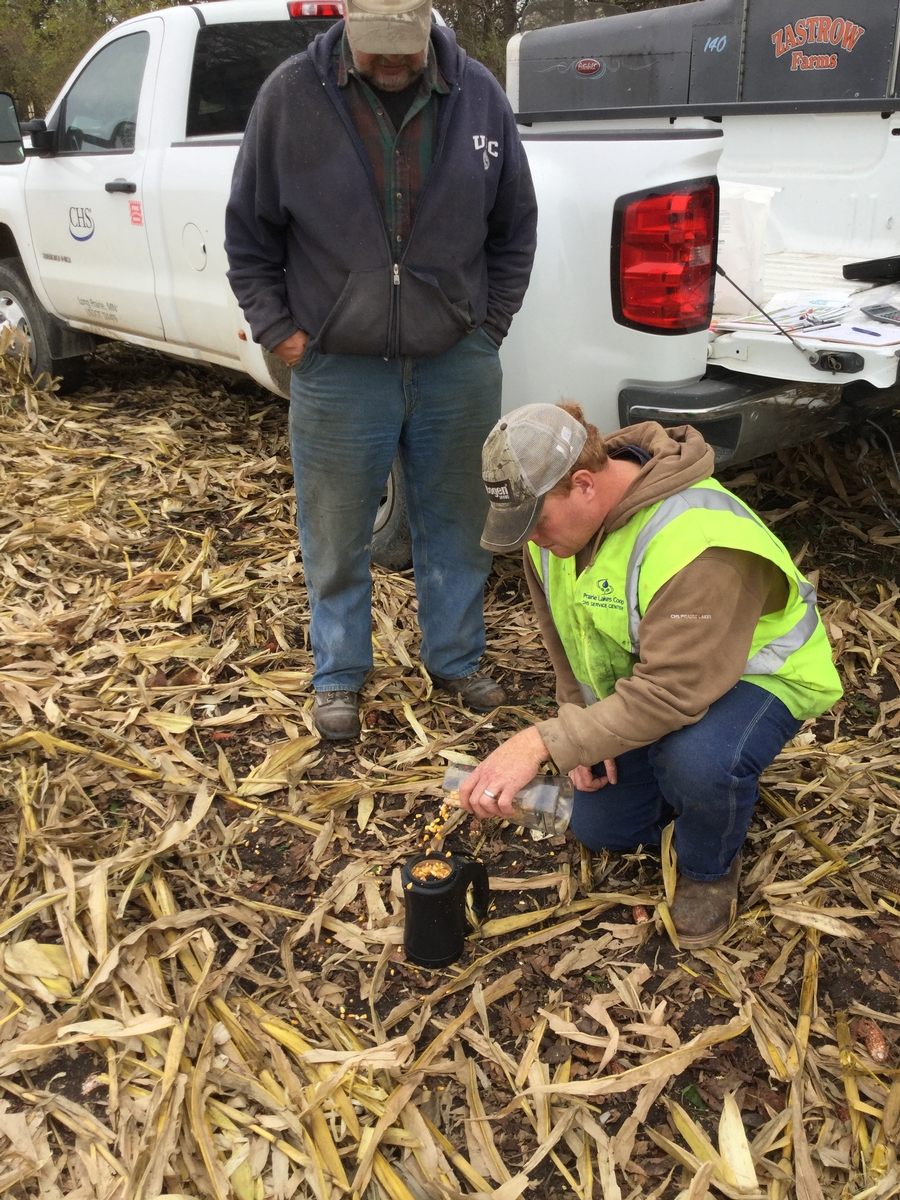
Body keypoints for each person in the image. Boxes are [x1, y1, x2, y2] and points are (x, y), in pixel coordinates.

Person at [225, 0, 537, 741]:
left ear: (429, 23)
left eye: (408, 46)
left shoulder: (478, 95)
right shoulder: (292, 97)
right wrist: (285, 335)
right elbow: (249, 233)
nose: (394, 62)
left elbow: (514, 223)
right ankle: (338, 674)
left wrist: (488, 327)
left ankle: (456, 660)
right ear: (349, 26)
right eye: (378, 48)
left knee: (459, 524)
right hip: (338, 367)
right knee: (335, 532)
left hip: (455, 361)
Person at [459, 403, 842, 948]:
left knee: (699, 760)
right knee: (603, 828)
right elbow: (567, 641)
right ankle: (689, 790)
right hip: (664, 682)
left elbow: (671, 693)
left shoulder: (698, 543)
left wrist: (545, 742)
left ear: (584, 484)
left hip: (759, 677)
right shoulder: (556, 537)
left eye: (537, 522)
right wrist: (584, 731)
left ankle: (709, 868)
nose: (532, 540)